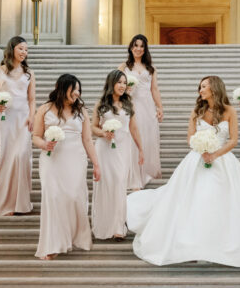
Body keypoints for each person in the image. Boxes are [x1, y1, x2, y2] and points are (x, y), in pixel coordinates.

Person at [126, 75, 240, 266]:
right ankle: (189, 245)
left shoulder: (230, 111)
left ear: (214, 88)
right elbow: (190, 137)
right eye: (200, 87)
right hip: (197, 160)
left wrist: (215, 154)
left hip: (222, 160)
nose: (200, 90)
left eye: (204, 87)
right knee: (194, 200)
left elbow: (233, 140)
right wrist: (201, 149)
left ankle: (219, 243)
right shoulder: (196, 111)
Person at [31, 74, 101, 260]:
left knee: (73, 197)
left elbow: (87, 139)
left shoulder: (81, 111)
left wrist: (96, 163)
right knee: (52, 198)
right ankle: (52, 245)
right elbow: (36, 136)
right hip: (51, 159)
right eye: (74, 89)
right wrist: (44, 144)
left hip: (75, 160)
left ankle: (74, 236)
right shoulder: (45, 109)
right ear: (63, 88)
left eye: (79, 89)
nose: (77, 93)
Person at [90, 69, 145, 240]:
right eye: (119, 82)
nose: (122, 86)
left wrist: (141, 149)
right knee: (105, 185)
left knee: (120, 184)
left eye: (124, 82)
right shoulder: (101, 104)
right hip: (104, 149)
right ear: (111, 83)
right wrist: (103, 134)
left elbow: (133, 128)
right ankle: (104, 224)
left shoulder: (129, 104)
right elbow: (93, 127)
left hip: (123, 148)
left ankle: (119, 227)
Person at [0, 36, 35, 216]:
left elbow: (31, 99)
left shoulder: (29, 73)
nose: (24, 52)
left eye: (26, 50)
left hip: (22, 120)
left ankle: (21, 203)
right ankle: (6, 204)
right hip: (5, 119)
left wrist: (32, 116)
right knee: (6, 158)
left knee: (21, 156)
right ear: (12, 49)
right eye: (21, 48)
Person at [120, 35, 164, 189]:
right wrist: (127, 90)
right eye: (135, 45)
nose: (138, 49)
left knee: (146, 138)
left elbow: (154, 89)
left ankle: (144, 173)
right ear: (131, 47)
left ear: (145, 49)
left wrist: (159, 107)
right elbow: (115, 88)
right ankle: (133, 177)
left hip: (147, 106)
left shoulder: (151, 68)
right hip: (131, 105)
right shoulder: (123, 67)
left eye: (141, 46)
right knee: (132, 139)